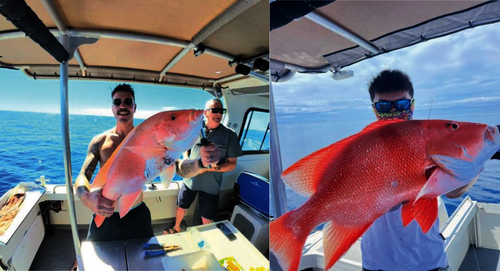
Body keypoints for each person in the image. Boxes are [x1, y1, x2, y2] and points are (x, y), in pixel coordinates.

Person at [361, 69, 475, 271]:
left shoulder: (432, 143)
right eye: (385, 106)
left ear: (412, 105)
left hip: (428, 261)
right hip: (377, 263)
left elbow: (453, 192)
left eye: (402, 104)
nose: (394, 111)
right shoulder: (360, 150)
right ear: (374, 108)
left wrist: (475, 162)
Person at [75, 83, 219, 242]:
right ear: (112, 108)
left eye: (128, 102)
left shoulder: (153, 138)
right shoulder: (100, 140)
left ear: (134, 107)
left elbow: (180, 169)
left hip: (137, 214)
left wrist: (202, 163)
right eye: (117, 102)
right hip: (103, 214)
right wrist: (87, 198)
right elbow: (83, 176)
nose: (122, 105)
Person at [167, 98, 244, 233]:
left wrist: (211, 168)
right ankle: (176, 227)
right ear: (206, 112)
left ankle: (205, 238)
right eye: (215, 110)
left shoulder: (230, 135)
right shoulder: (194, 129)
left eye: (221, 111)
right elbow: (187, 148)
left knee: (207, 218)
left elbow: (232, 164)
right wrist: (186, 161)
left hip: (211, 185)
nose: (219, 114)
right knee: (181, 206)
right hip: (190, 180)